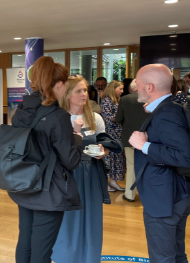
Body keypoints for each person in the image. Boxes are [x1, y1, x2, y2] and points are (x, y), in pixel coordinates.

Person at [9, 57, 83, 263]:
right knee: (42, 252)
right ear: (59, 85)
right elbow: (71, 161)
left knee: (25, 241)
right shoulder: (57, 115)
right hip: (48, 191)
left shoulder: (21, 110)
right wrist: (77, 137)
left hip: (23, 184)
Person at [128, 63, 190, 263]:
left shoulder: (167, 113)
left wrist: (145, 146)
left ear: (149, 87)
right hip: (174, 194)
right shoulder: (168, 108)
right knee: (176, 255)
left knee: (163, 258)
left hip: (165, 199)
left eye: (138, 84)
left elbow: (185, 157)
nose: (136, 88)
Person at [54, 75, 112, 263]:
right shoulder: (58, 117)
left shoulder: (95, 117)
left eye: (85, 90)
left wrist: (103, 151)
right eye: (78, 90)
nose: (84, 94)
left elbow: (104, 142)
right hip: (67, 175)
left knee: (91, 218)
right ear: (67, 93)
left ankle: (89, 257)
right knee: (68, 220)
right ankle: (66, 257)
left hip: (91, 174)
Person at [116, 74, 147, 202]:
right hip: (146, 137)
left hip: (129, 137)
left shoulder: (125, 100)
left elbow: (118, 119)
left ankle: (130, 195)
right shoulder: (148, 99)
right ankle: (147, 194)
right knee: (146, 165)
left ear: (131, 88)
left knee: (131, 165)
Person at [100, 80, 126, 192]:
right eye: (120, 88)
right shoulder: (106, 101)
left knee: (118, 158)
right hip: (111, 134)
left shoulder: (118, 101)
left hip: (119, 134)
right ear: (113, 88)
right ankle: (105, 182)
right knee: (109, 159)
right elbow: (109, 118)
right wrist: (122, 116)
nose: (122, 91)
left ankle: (114, 181)